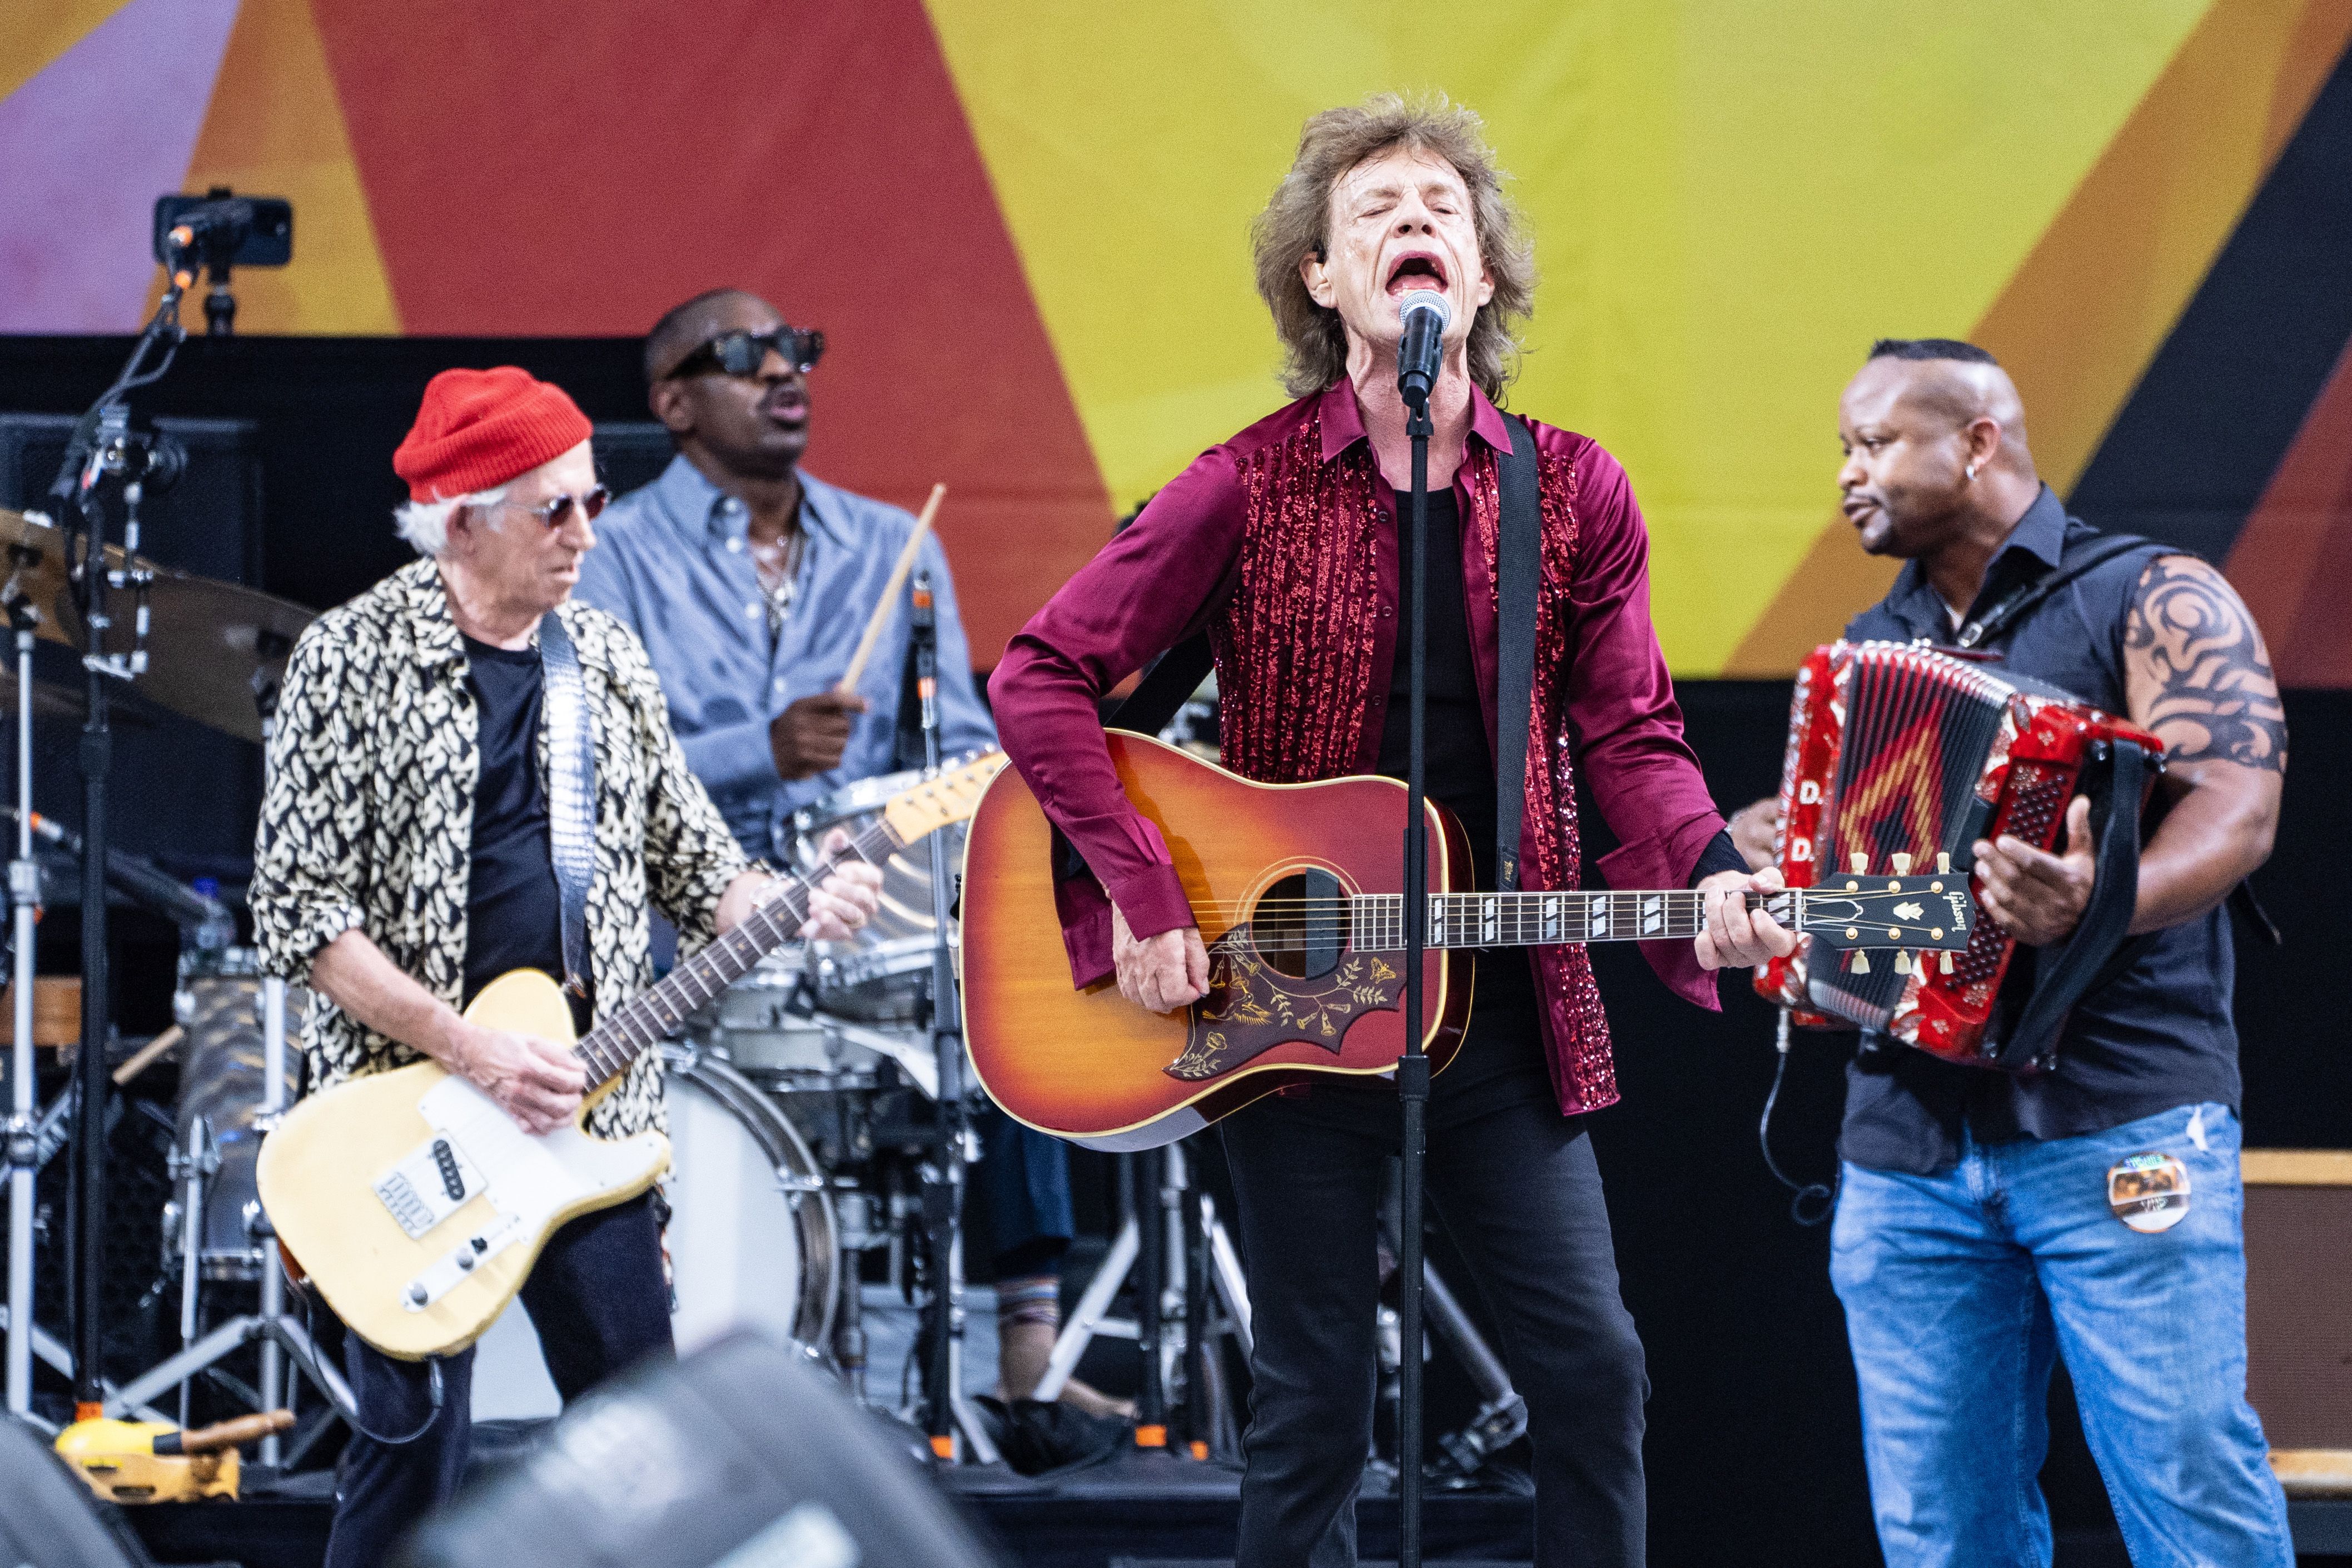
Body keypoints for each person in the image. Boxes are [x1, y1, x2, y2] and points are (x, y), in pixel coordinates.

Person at [989, 94, 1791, 1568]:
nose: (1415, 222)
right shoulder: (1242, 485)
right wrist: (1143, 894)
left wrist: (1710, 874)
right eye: (1375, 210)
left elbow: (1631, 731)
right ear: (1320, 275)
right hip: (1280, 1009)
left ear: (1480, 277)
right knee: (1314, 1400)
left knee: (1594, 1369)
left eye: (1443, 211)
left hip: (1498, 1011)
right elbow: (1040, 675)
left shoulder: (1571, 488)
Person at [250, 366, 883, 1568]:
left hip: (588, 1115)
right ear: (462, 521)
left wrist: (794, 904)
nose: (586, 533)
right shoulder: (350, 657)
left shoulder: (602, 658)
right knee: (409, 1462)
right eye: (555, 509)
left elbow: (698, 865)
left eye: (594, 501)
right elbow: (301, 913)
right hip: (406, 1123)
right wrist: (470, 1047)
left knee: (650, 1443)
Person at [1727, 338, 2293, 1567]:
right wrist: (1780, 863)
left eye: (1875, 443)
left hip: (2121, 1119)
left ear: (1977, 442)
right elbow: (1886, 901)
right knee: (1944, 1531)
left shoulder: (2150, 593)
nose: (1848, 473)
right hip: (1909, 1147)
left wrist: (2096, 900)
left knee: (2191, 1492)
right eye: (1844, 448)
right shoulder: (1871, 645)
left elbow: (2240, 810)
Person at [573, 289, 1105, 1412]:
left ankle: (1030, 1344)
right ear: (673, 402)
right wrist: (757, 753)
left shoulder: (894, 545)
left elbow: (960, 747)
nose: (783, 372)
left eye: (797, 350)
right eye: (744, 354)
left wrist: (965, 789)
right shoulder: (610, 555)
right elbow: (591, 763)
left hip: (863, 906)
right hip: (689, 929)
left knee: (1009, 973)